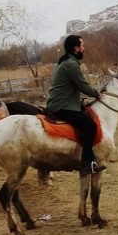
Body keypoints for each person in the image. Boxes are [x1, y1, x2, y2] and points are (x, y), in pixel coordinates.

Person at [46, 35, 107, 175]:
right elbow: (82, 85)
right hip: (62, 106)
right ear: (76, 48)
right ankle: (86, 164)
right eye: (82, 46)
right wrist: (97, 94)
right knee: (90, 126)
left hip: (60, 102)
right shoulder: (71, 64)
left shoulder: (64, 62)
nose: (84, 49)